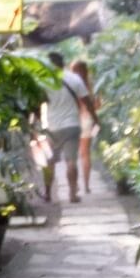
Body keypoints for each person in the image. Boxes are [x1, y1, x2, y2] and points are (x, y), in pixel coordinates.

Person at [41, 51, 99, 203]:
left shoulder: (44, 80)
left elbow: (38, 102)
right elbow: (87, 102)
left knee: (50, 161)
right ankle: (72, 194)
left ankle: (47, 193)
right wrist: (96, 119)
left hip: (52, 127)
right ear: (63, 63)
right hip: (72, 125)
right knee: (71, 161)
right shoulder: (74, 79)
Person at [71, 59, 99, 194]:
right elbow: (97, 105)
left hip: (73, 120)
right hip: (87, 120)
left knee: (72, 155)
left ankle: (74, 184)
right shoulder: (90, 86)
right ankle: (86, 186)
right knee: (85, 154)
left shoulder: (71, 84)